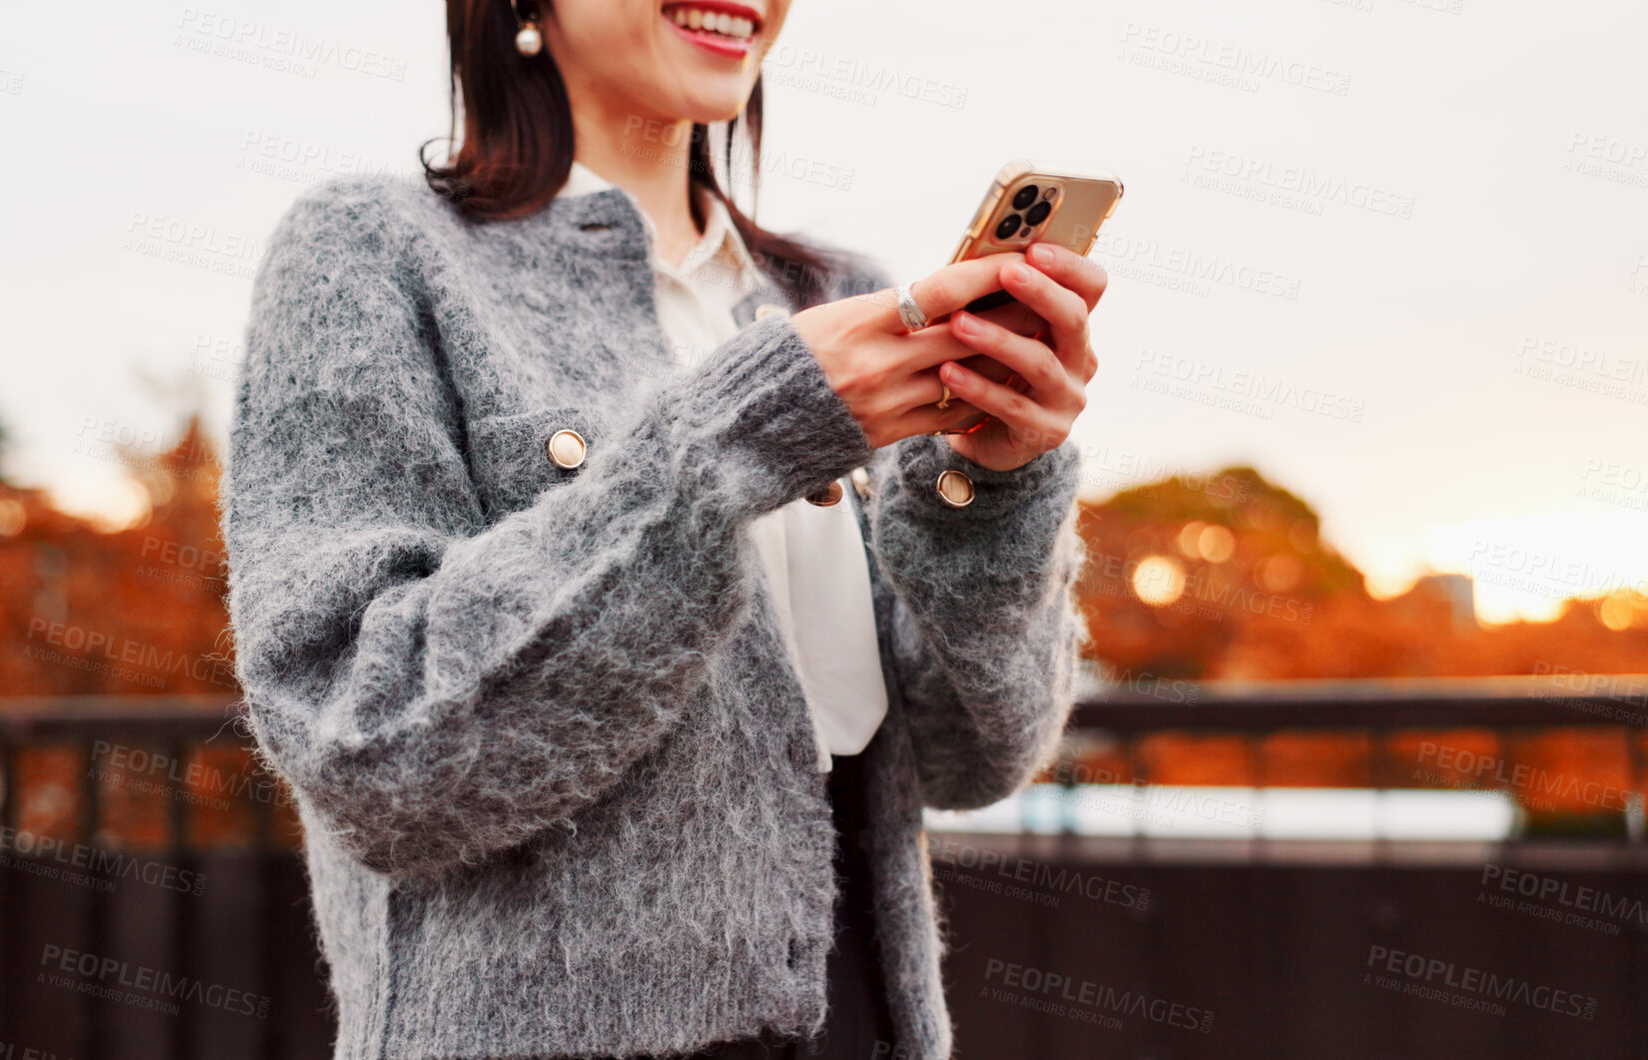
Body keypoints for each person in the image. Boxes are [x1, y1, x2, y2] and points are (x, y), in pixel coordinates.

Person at [220, 1, 1106, 1057]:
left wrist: (990, 491)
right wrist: (738, 435)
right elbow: (367, 748)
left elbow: (972, 757)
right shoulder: (372, 252)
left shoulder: (840, 296)